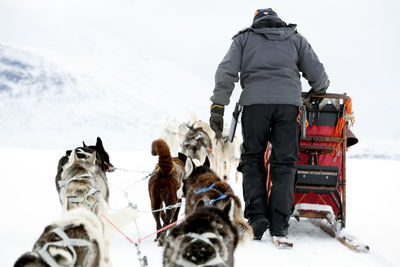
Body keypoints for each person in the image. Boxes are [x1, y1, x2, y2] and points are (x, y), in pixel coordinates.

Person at [209, 8, 329, 240]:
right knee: (285, 163)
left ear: (256, 22)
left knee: (253, 158)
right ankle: (279, 223)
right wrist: (315, 92)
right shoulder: (296, 39)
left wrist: (218, 107)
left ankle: (257, 217)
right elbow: (319, 76)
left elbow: (226, 73)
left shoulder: (243, 39)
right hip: (288, 108)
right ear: (278, 21)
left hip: (254, 107)